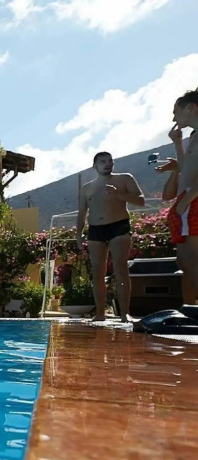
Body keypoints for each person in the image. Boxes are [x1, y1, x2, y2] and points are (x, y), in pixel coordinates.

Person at [76, 152, 145, 322]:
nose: (108, 164)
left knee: (120, 269)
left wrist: (119, 194)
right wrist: (78, 234)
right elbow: (82, 213)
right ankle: (100, 313)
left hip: (118, 226)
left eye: (110, 161)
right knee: (97, 272)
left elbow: (140, 200)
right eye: (103, 161)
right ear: (95, 166)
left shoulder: (124, 178)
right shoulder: (86, 188)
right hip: (95, 229)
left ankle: (124, 313)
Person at [155, 89, 198, 305]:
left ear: (190, 108)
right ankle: (191, 310)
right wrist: (177, 143)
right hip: (187, 201)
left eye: (176, 112)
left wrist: (187, 199)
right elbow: (185, 167)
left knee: (192, 261)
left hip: (192, 201)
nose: (174, 118)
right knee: (185, 262)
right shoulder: (194, 136)